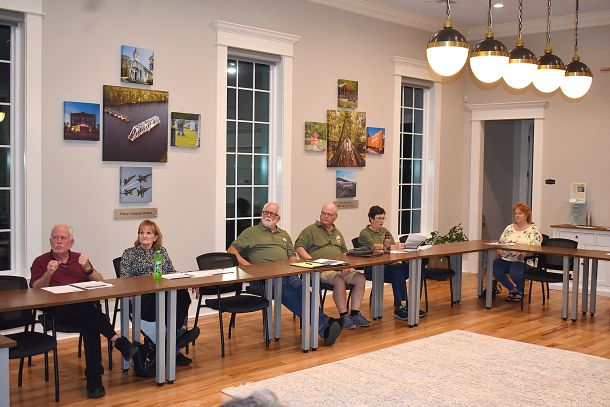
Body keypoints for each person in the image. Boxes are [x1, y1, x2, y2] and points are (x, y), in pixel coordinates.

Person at [30, 224, 139, 399]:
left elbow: (100, 280)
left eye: (63, 238)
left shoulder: (79, 258)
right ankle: (118, 342)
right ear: (50, 241)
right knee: (90, 313)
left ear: (71, 242)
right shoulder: (41, 261)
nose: (59, 241)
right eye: (55, 238)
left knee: (90, 323)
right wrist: (48, 274)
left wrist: (88, 268)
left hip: (85, 312)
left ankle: (95, 379)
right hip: (58, 312)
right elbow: (35, 290)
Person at [227, 202, 342, 346]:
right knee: (288, 292)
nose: (268, 215)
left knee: (304, 290)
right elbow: (231, 250)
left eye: (272, 213)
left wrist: (293, 268)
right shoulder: (251, 232)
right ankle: (324, 326)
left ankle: (325, 324)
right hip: (264, 279)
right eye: (265, 212)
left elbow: (292, 256)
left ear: (278, 218)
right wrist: (249, 267)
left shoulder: (284, 234)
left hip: (287, 274)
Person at [120, 220, 200, 366]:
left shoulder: (161, 252)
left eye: (148, 233)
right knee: (161, 298)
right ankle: (174, 345)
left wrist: (190, 279)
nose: (144, 235)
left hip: (161, 294)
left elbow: (171, 272)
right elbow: (124, 278)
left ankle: (175, 334)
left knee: (182, 293)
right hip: (142, 297)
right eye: (141, 232)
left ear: (155, 237)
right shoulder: (129, 253)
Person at [295, 202, 370, 330]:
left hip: (339, 266)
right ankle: (343, 316)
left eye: (329, 214)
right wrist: (312, 261)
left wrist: (345, 265)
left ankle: (355, 313)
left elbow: (345, 252)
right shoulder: (310, 230)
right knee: (338, 280)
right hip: (322, 269)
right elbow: (299, 247)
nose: (325, 216)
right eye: (323, 213)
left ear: (335, 216)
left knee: (360, 278)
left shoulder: (337, 233)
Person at [358, 205, 420, 320]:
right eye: (378, 218)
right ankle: (400, 306)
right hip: (373, 267)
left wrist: (400, 247)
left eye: (383, 218)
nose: (381, 221)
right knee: (397, 272)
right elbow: (375, 246)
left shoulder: (384, 231)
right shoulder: (364, 233)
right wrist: (392, 246)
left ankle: (411, 304)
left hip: (388, 264)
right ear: (371, 219)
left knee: (412, 268)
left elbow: (393, 245)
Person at [492, 202, 543, 302]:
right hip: (507, 258)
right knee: (494, 267)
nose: (517, 216)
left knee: (514, 271)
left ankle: (520, 291)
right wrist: (499, 251)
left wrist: (525, 254)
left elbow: (536, 248)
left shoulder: (533, 230)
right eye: (515, 213)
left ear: (526, 215)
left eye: (520, 213)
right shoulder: (509, 228)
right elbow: (500, 243)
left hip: (524, 260)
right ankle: (512, 289)